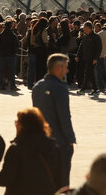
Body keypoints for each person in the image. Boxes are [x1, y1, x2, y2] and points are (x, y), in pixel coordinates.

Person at [0, 107, 61, 194]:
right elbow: (59, 179)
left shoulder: (16, 149)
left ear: (22, 126)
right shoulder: (53, 146)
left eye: (17, 122)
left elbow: (5, 179)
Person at [32, 53, 76, 188]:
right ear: (58, 68)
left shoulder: (37, 86)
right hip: (60, 142)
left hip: (42, 140)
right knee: (62, 182)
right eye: (66, 67)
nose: (67, 70)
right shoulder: (60, 88)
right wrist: (70, 139)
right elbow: (64, 117)